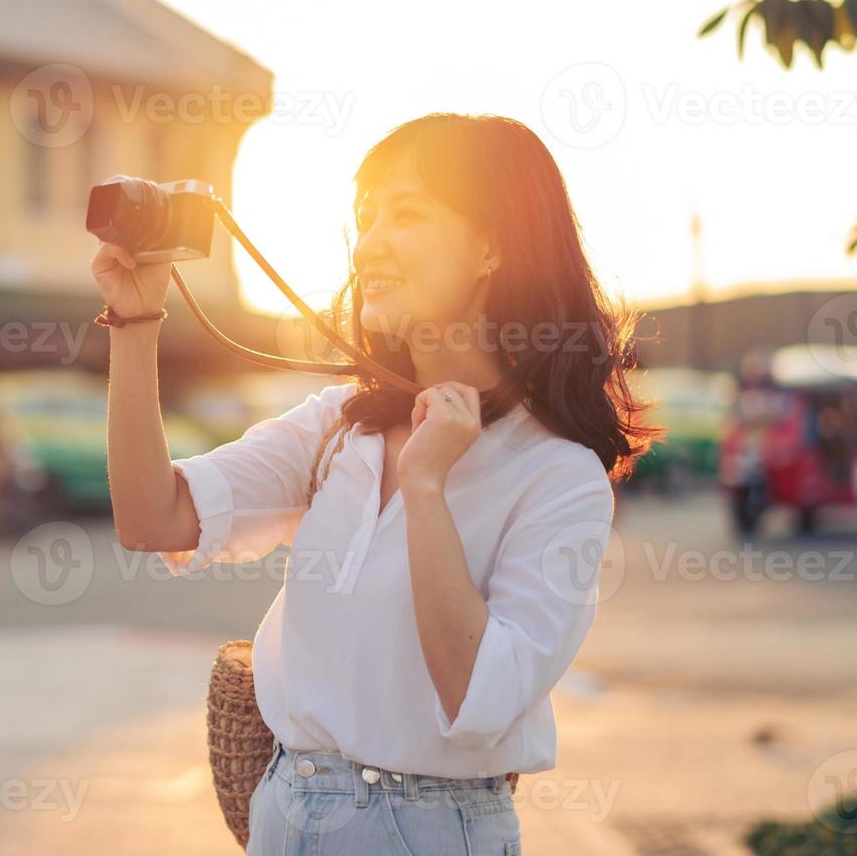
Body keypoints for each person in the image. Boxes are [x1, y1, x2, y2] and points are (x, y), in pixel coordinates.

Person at [93, 113, 662, 855]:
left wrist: (425, 487)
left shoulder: (557, 476)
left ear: (491, 244)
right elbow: (152, 518)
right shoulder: (339, 424)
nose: (370, 243)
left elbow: (479, 697)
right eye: (364, 216)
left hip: (428, 827)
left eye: (406, 213)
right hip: (286, 809)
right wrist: (134, 322)